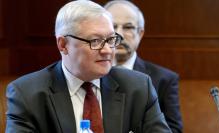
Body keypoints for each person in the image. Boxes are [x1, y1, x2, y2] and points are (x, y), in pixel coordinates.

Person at [5, 0, 172, 133]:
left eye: (111, 40)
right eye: (96, 41)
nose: (107, 50)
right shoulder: (26, 94)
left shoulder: (139, 87)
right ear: (63, 44)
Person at [104, 1, 183, 133]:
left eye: (128, 27)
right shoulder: (91, 73)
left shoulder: (164, 79)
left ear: (140, 34)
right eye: (113, 27)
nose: (119, 35)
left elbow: (173, 130)